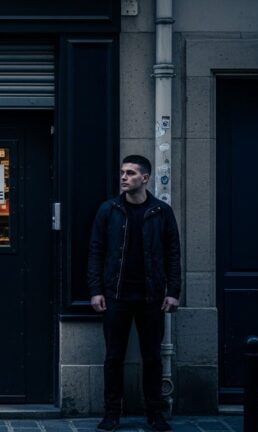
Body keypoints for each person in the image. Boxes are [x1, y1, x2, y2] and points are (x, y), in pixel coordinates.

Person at [88, 155, 181, 432]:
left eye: (130, 173)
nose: (124, 177)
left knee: (152, 357)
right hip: (116, 295)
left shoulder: (161, 212)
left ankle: (155, 414)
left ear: (145, 178)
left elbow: (172, 254)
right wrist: (95, 290)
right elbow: (96, 251)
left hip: (151, 297)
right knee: (113, 357)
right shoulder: (109, 210)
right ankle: (111, 413)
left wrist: (173, 291)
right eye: (122, 173)